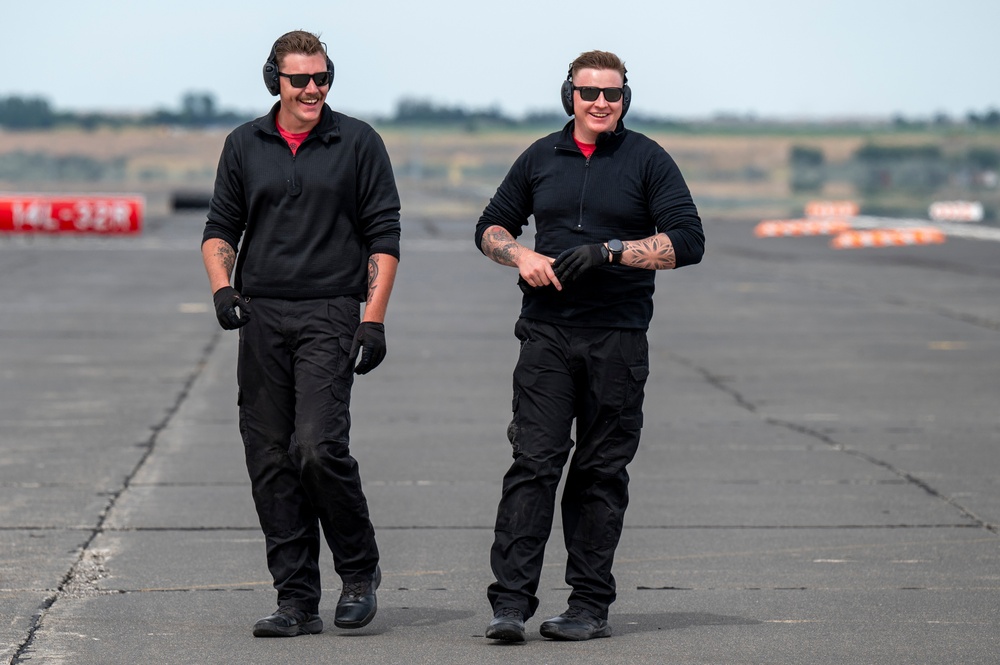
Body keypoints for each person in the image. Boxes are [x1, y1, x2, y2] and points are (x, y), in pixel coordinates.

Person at [475, 50, 704, 642]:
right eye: (588, 92)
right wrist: (520, 254)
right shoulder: (539, 157)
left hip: (618, 338)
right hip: (547, 335)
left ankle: (588, 606)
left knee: (600, 472)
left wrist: (611, 251)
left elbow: (689, 239)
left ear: (626, 96)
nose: (600, 102)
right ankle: (510, 604)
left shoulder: (647, 159)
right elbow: (491, 225)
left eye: (613, 93)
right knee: (534, 463)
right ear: (568, 95)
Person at [201, 30, 400, 638]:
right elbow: (220, 227)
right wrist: (222, 287)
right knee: (268, 457)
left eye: (322, 79)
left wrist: (373, 317)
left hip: (330, 313)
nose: (313, 90)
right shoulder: (243, 144)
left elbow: (384, 237)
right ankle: (296, 599)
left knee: (316, 447)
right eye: (300, 80)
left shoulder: (358, 141)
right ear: (275, 82)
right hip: (262, 316)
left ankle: (359, 571)